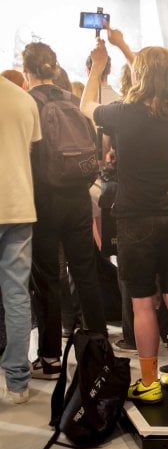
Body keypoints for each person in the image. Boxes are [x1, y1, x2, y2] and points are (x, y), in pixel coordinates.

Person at [82, 40, 168, 404]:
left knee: (143, 303)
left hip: (135, 220)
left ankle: (148, 380)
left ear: (140, 75)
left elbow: (85, 106)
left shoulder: (124, 112)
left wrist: (97, 69)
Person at [24, 42, 107, 380]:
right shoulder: (74, 100)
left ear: (26, 69)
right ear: (55, 67)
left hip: (43, 199)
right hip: (77, 197)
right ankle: (100, 347)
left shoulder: (28, 102)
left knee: (47, 278)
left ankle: (49, 357)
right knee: (85, 273)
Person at [0, 74, 41, 403]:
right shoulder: (24, 99)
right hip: (19, 206)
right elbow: (30, 150)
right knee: (16, 295)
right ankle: (17, 383)